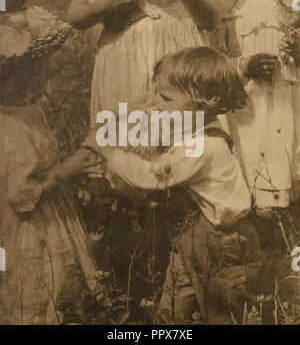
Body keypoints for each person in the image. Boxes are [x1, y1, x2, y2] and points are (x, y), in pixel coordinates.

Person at [82, 47, 262, 324]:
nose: (158, 103)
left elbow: (150, 178)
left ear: (207, 99)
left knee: (221, 312)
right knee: (177, 303)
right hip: (196, 236)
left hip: (221, 243)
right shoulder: (199, 134)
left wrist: (109, 151)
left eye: (166, 98)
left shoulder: (203, 146)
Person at [0, 0, 102, 324]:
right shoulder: (5, 124)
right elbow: (22, 193)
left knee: (64, 290)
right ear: (12, 74)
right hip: (26, 229)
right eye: (36, 69)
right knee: (36, 293)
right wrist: (67, 170)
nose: (44, 76)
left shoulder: (30, 110)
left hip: (54, 215)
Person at [67, 0, 221, 122]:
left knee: (183, 130)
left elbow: (210, 21)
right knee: (129, 130)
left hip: (177, 52)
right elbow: (75, 16)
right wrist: (102, 6)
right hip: (123, 54)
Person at [213, 0, 300, 220]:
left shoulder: (292, 4)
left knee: (286, 147)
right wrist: (245, 64)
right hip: (247, 104)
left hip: (288, 99)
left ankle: (285, 220)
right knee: (250, 154)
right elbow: (213, 63)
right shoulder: (228, 8)